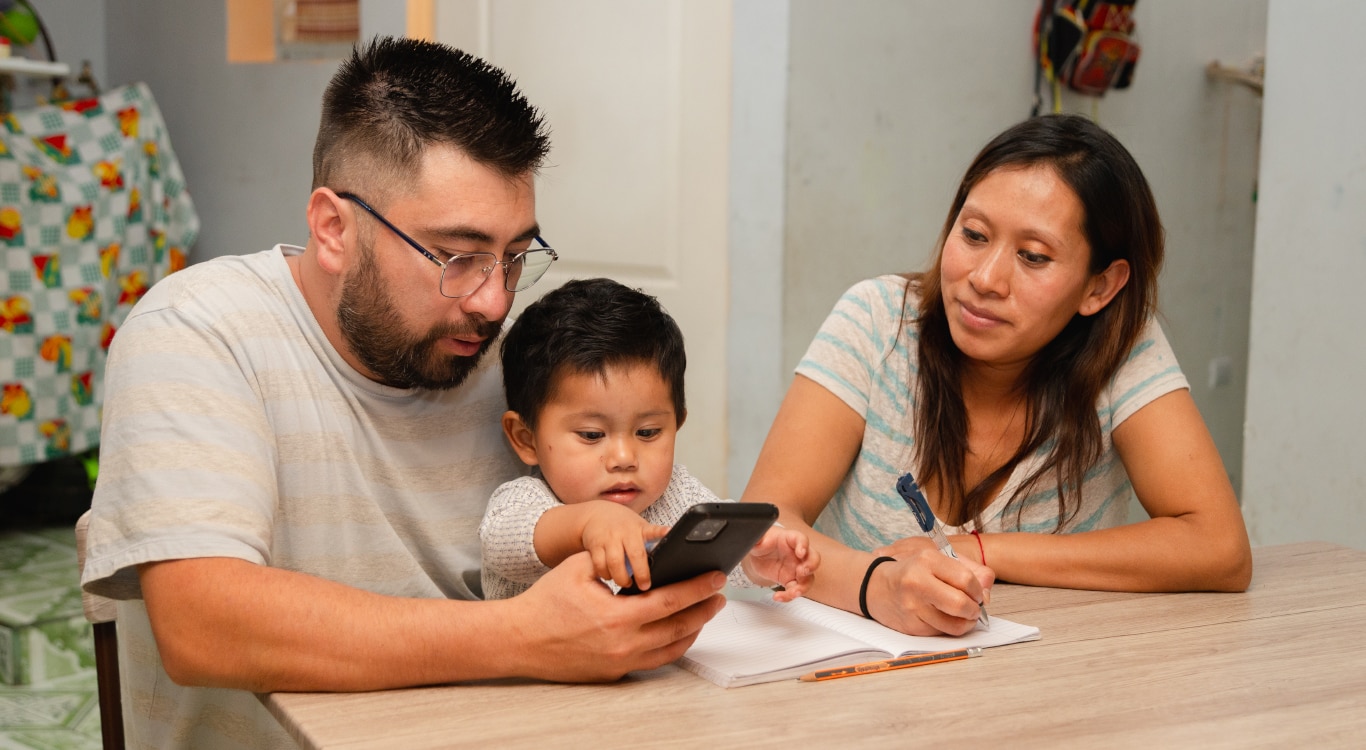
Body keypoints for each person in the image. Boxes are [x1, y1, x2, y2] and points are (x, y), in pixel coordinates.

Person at [79, 37, 728, 749]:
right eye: (457, 257)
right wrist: (521, 636)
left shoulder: (511, 364)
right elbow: (203, 625)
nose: (491, 301)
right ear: (334, 229)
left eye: (514, 257)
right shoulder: (199, 332)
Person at [741, 114, 1253, 637]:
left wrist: (980, 549)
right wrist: (880, 587)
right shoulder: (877, 321)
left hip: (1046, 683)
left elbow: (1219, 548)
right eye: (974, 234)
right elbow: (765, 521)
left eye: (1033, 256)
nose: (984, 279)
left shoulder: (1123, 349)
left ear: (1099, 287)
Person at [480, 277, 818, 600]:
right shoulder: (521, 502)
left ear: (677, 423)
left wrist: (758, 557)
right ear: (526, 439)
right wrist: (590, 523)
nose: (624, 457)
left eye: (648, 432)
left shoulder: (676, 496)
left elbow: (721, 550)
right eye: (592, 435)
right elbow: (507, 543)